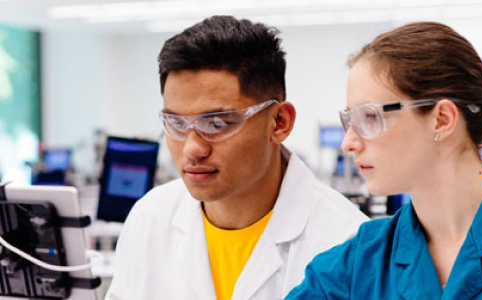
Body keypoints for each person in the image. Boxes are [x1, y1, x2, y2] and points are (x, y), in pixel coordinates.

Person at [105, 15, 368, 300]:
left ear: (279, 122)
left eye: (217, 124)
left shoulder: (347, 243)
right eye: (177, 124)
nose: (193, 149)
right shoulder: (150, 219)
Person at [284, 21, 482, 299]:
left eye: (371, 117)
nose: (348, 143)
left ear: (442, 119)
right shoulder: (358, 265)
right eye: (349, 120)